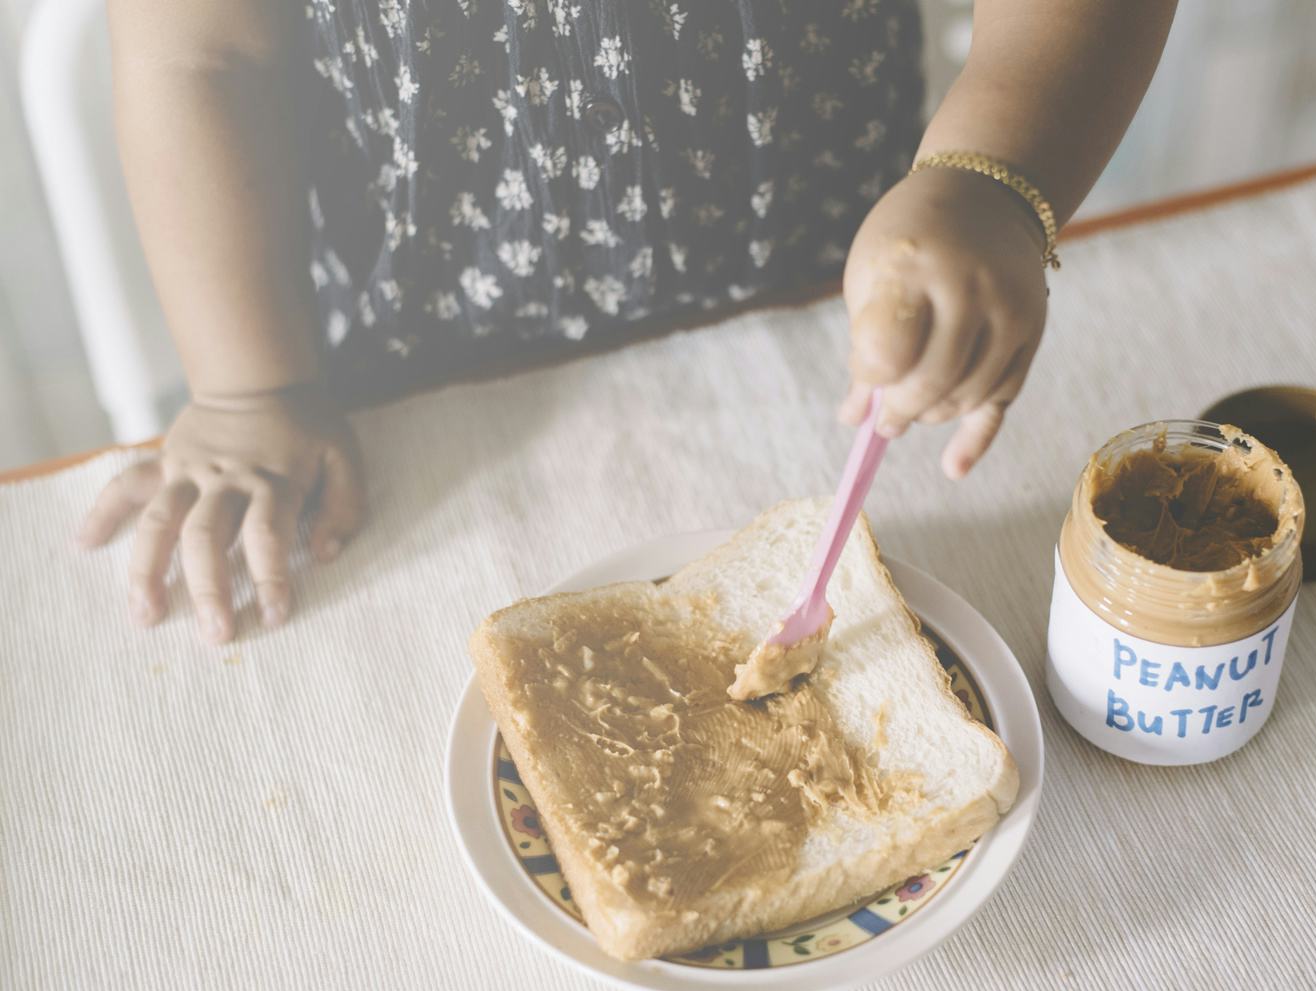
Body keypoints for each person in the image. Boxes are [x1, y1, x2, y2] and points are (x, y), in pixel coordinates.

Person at [78, 0, 1176, 644]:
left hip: (823, 308)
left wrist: (990, 182)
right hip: (411, 372)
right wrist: (246, 391)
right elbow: (197, 55)